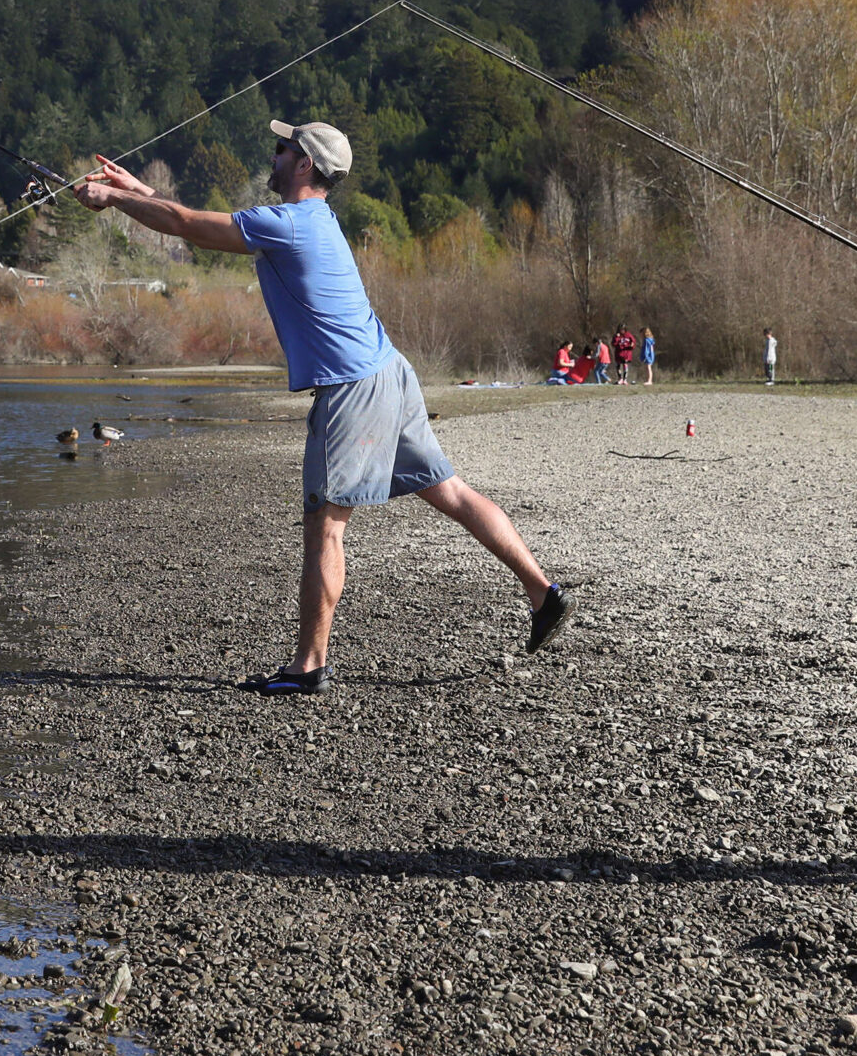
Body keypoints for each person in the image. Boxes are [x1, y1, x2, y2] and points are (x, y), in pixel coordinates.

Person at [73, 120, 574, 697]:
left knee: (325, 528)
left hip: (352, 389)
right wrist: (137, 191)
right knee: (451, 493)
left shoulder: (287, 225)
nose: (275, 153)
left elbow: (191, 227)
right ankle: (544, 592)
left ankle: (309, 666)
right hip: (390, 372)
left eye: (284, 148)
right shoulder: (315, 220)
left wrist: (113, 199)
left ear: (304, 163)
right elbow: (188, 219)